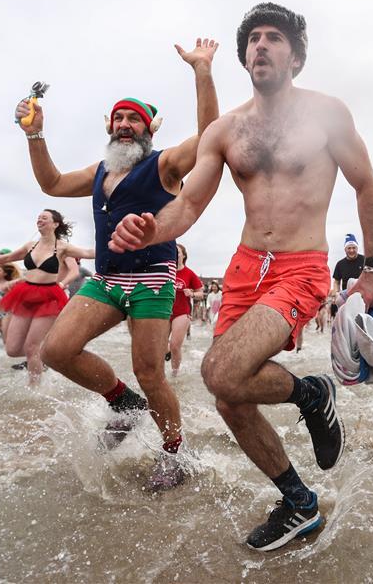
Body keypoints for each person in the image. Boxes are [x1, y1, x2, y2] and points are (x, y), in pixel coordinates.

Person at [107, 3, 373, 550]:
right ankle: (299, 504)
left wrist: (372, 269)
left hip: (300, 265)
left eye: (274, 38)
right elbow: (187, 207)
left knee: (221, 370)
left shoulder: (328, 113)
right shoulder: (226, 129)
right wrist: (147, 230)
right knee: (229, 395)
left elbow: (367, 186)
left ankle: (311, 394)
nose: (261, 45)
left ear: (296, 57)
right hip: (243, 267)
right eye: (254, 38)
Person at [13, 38, 219, 490]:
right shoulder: (100, 171)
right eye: (119, 118)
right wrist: (35, 133)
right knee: (56, 351)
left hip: (152, 280)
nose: (125, 125)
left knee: (150, 371)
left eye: (135, 120)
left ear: (148, 131)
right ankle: (123, 404)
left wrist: (201, 71)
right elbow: (50, 182)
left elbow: (210, 138)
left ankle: (173, 452)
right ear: (110, 125)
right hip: (106, 280)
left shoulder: (164, 165)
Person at [0, 210, 92, 385]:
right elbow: (8, 257)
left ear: (55, 224)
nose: (39, 219)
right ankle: (45, 355)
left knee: (32, 348)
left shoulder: (63, 247)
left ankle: (35, 389)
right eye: (38, 217)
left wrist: (121, 245)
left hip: (49, 296)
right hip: (25, 294)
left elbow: (88, 252)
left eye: (44, 218)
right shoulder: (30, 245)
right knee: (12, 349)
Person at [168, 243, 204, 377]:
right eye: (173, 251)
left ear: (183, 255)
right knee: (158, 345)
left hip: (182, 312)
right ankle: (159, 372)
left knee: (175, 345)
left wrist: (192, 293)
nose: (175, 253)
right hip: (164, 311)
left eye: (177, 251)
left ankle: (174, 373)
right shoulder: (166, 272)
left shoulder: (189, 274)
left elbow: (201, 293)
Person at [331, 233, 365, 319]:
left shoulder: (364, 260)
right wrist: (336, 293)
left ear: (357, 248)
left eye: (354, 248)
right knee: (348, 321)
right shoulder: (340, 264)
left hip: (363, 297)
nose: (351, 250)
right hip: (347, 298)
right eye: (349, 248)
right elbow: (336, 281)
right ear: (345, 249)